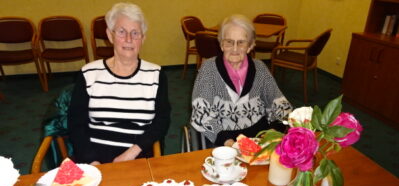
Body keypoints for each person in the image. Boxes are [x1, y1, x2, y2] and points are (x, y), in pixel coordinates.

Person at [68, 2, 170, 164]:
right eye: (122, 32)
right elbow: (76, 124)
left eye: (135, 33)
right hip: (94, 157)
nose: (129, 39)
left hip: (137, 157)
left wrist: (132, 153)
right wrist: (91, 160)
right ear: (110, 35)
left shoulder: (155, 75)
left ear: (143, 38)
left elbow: (161, 121)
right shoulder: (89, 73)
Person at [190, 14, 292, 147]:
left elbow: (280, 104)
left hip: (259, 137)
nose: (235, 48)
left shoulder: (260, 68)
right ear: (221, 44)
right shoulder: (209, 70)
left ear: (250, 46)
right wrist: (230, 144)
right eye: (229, 42)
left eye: (241, 42)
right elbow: (201, 114)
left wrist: (272, 132)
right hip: (223, 139)